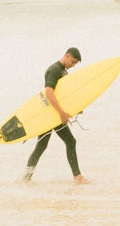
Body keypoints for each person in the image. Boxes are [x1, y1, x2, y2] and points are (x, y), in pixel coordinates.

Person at [24, 48, 88, 184]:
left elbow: (62, 96)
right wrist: (61, 113)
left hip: (54, 115)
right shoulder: (54, 70)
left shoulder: (63, 71)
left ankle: (26, 177)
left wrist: (75, 108)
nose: (73, 65)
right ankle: (78, 177)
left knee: (44, 145)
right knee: (67, 142)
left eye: (75, 63)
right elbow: (49, 92)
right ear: (67, 55)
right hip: (50, 115)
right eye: (73, 61)